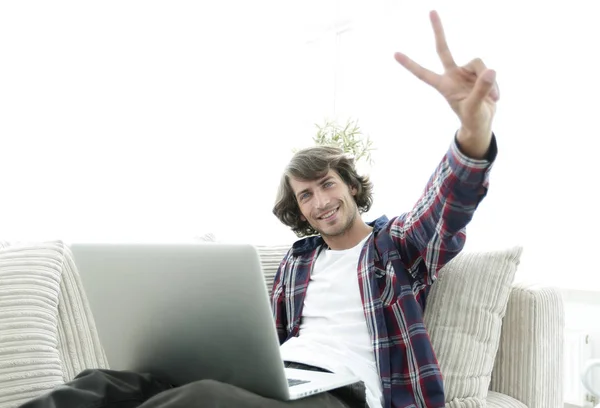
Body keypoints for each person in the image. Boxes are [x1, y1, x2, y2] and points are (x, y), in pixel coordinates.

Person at [19, 9, 499, 408]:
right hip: (283, 381)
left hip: (346, 394)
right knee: (101, 385)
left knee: (200, 400)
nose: (319, 202)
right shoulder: (298, 260)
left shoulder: (395, 245)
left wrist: (472, 134)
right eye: (305, 195)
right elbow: (254, 345)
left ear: (351, 186)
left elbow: (447, 208)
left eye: (326, 185)